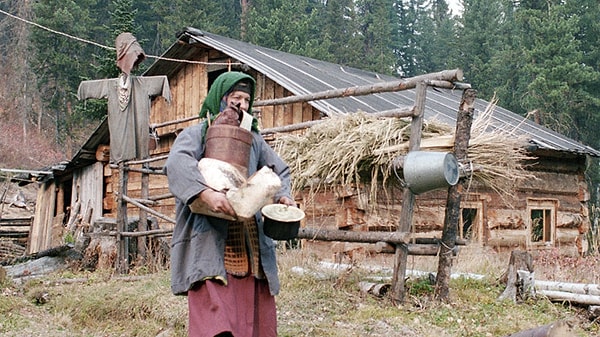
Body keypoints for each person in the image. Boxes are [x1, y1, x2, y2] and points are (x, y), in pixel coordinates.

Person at [164, 71, 295, 337]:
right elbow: (177, 164)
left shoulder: (255, 141)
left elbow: (279, 171)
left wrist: (283, 195)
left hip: (249, 241)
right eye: (236, 98)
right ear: (220, 99)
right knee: (216, 320)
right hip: (211, 240)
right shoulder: (196, 135)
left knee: (256, 320)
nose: (242, 105)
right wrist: (205, 194)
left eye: (247, 100)